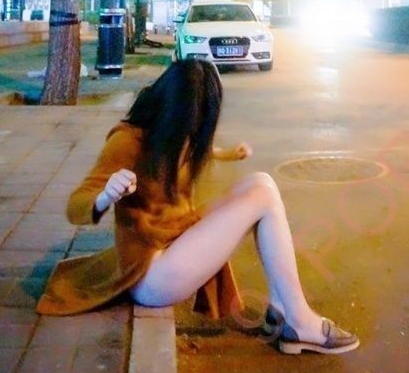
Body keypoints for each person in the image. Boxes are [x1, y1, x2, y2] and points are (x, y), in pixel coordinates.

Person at [36, 59, 359, 356]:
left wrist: (229, 153)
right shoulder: (128, 141)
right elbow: (75, 206)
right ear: (170, 110)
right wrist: (106, 195)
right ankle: (300, 321)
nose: (194, 134)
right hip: (152, 274)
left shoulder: (176, 135)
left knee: (262, 182)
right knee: (262, 195)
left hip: (173, 240)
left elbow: (194, 151)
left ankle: (283, 309)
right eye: (191, 124)